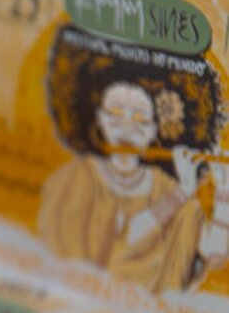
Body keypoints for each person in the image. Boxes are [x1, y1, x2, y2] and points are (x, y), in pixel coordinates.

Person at [38, 27, 229, 294]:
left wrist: (223, 193)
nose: (126, 128)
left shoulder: (168, 189)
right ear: (99, 119)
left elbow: (214, 255)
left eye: (139, 119)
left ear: (153, 131)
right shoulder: (73, 179)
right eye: (115, 114)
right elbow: (125, 243)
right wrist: (181, 193)